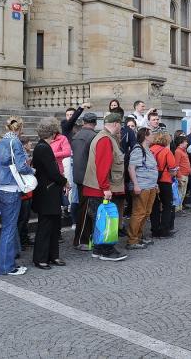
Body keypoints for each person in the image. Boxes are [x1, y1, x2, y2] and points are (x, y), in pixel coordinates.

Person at [81, 112, 127, 261]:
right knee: (104, 221)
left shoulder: (103, 137)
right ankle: (105, 250)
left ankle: (99, 249)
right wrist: (106, 188)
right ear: (116, 124)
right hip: (100, 189)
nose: (121, 127)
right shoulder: (105, 139)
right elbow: (102, 166)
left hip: (97, 187)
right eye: (121, 124)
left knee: (99, 220)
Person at [0, 116, 33, 276]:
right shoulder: (15, 141)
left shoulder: (2, 141)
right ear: (20, 128)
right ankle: (7, 266)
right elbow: (22, 166)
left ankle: (6, 264)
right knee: (9, 229)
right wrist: (32, 171)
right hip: (11, 187)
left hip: (1, 187)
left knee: (6, 228)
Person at [31, 119, 69, 269]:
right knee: (45, 227)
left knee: (54, 225)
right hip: (46, 192)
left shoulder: (43, 146)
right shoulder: (43, 147)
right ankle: (40, 258)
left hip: (50, 191)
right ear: (53, 132)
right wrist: (64, 181)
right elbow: (52, 172)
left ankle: (53, 255)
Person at [126, 128, 159, 249]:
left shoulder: (147, 150)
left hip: (150, 186)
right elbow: (131, 168)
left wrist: (155, 184)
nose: (154, 136)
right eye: (152, 134)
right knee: (139, 213)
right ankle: (132, 240)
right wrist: (135, 185)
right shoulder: (138, 149)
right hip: (142, 186)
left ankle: (138, 237)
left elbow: (151, 168)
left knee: (146, 212)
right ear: (146, 136)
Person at [71, 112, 98, 249]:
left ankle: (83, 238)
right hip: (88, 178)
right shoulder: (94, 137)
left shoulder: (76, 136)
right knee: (86, 210)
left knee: (84, 208)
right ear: (95, 123)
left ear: (83, 122)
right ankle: (82, 240)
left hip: (78, 176)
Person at [150, 130, 177, 237]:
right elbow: (172, 168)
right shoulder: (166, 151)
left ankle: (155, 229)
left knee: (154, 206)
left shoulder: (150, 150)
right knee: (167, 205)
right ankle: (164, 229)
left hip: (152, 180)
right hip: (165, 180)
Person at [173, 135, 191, 213]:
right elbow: (176, 165)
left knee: (183, 193)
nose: (187, 143)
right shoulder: (178, 151)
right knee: (180, 193)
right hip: (182, 175)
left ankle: (179, 208)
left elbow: (185, 162)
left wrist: (190, 170)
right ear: (181, 143)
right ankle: (177, 209)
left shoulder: (183, 151)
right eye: (185, 142)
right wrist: (179, 176)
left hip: (185, 175)